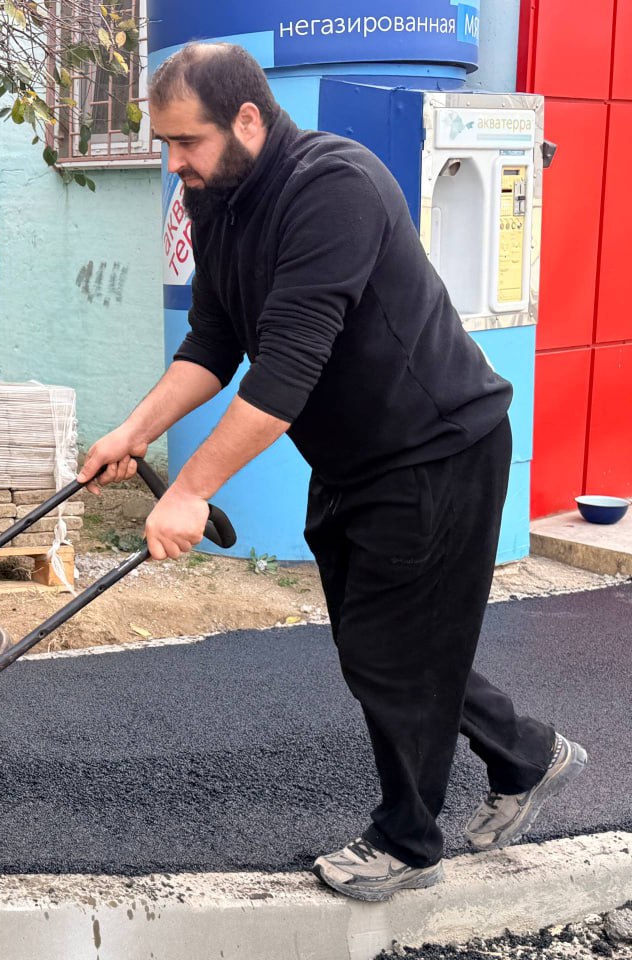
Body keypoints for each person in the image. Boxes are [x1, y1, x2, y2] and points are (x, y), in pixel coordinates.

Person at [77, 42, 587, 903]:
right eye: (164, 144)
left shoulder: (332, 188)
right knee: (388, 647)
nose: (173, 165)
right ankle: (529, 754)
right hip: (355, 455)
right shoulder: (219, 198)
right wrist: (131, 432)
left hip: (437, 448)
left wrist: (193, 489)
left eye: (185, 143)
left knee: (391, 656)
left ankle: (405, 842)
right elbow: (214, 342)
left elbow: (281, 379)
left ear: (247, 119)